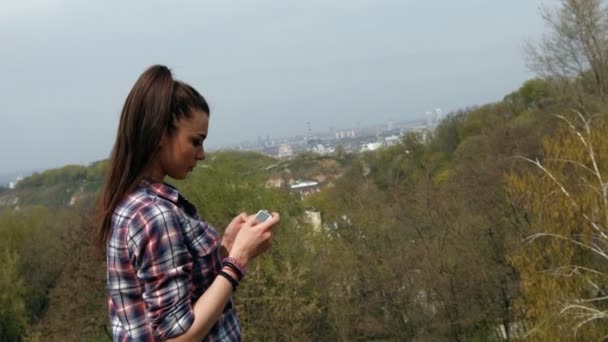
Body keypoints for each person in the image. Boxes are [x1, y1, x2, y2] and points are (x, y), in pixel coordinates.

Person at [96, 64, 279, 341]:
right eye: (195, 141)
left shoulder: (135, 203)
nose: (202, 154)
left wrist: (226, 249)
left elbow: (182, 293)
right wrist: (238, 261)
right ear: (159, 135)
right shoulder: (154, 215)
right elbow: (178, 337)